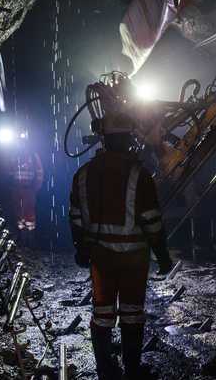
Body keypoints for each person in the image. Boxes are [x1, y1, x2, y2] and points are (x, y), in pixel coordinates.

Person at [69, 111, 174, 380]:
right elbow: (152, 221)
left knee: (102, 314)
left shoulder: (83, 174)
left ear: (103, 138)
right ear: (129, 139)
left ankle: (106, 370)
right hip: (133, 258)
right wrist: (162, 255)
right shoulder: (140, 175)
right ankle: (132, 370)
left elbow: (76, 217)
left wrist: (80, 247)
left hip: (101, 257)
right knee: (132, 314)